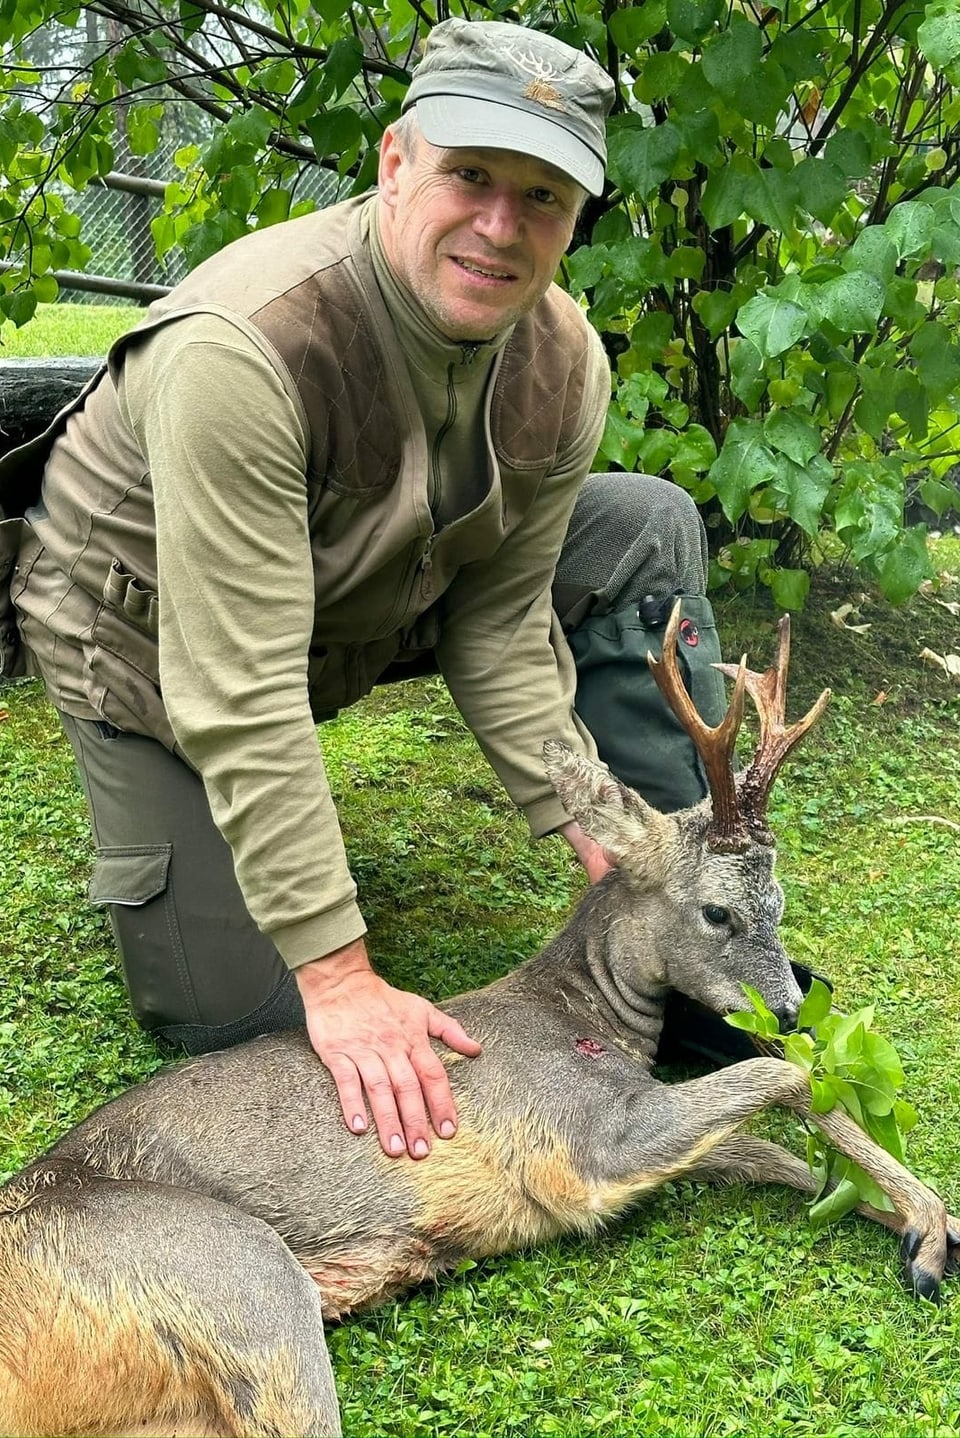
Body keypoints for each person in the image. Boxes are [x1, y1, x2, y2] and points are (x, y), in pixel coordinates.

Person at [0, 18, 729, 1161]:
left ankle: (685, 913)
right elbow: (233, 680)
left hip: (360, 592)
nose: (500, 226)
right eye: (471, 177)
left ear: (576, 218)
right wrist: (337, 972)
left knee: (644, 519)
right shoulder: (247, 344)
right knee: (242, 1022)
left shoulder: (564, 359)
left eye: (542, 198)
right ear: (396, 162)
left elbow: (496, 620)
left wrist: (593, 821)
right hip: (144, 641)